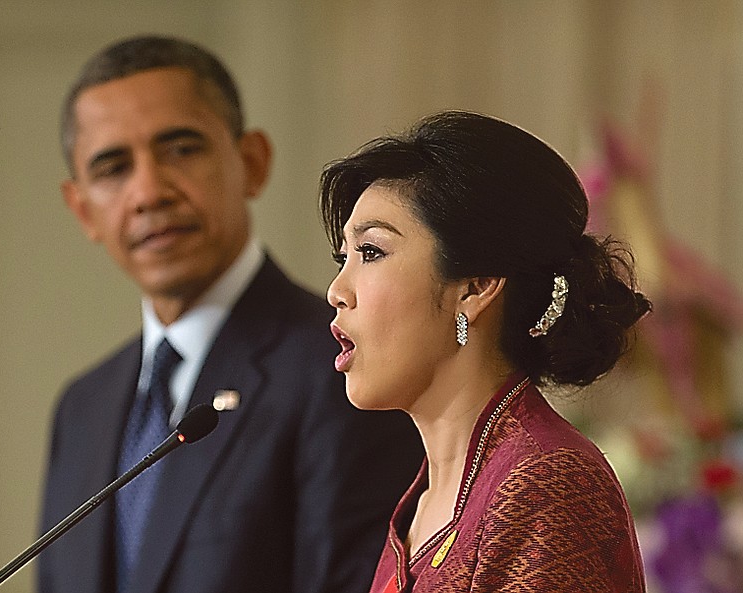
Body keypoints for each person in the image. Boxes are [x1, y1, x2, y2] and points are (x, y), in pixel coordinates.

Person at [39, 35, 422, 593]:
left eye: (180, 149)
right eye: (113, 167)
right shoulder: (81, 407)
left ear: (252, 163)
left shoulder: (343, 367)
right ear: (82, 209)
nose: (149, 192)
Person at [320, 110, 652, 592]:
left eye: (371, 252)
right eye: (343, 258)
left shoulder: (547, 482)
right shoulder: (425, 501)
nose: (336, 290)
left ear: (475, 287)